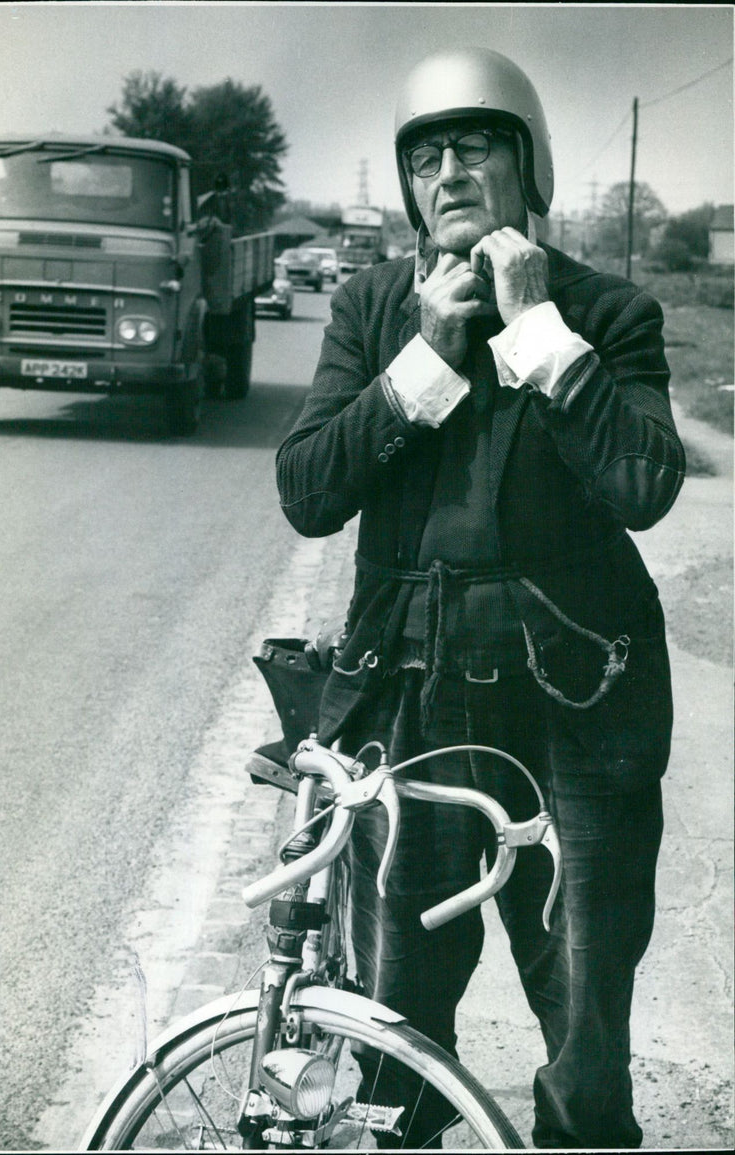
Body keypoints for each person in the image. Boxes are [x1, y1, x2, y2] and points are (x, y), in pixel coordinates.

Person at [275, 47, 685, 1150]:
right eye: (423, 157)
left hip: (578, 715)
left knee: (585, 998)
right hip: (410, 700)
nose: (445, 174)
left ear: (525, 166)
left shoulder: (608, 311)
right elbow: (308, 493)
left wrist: (537, 330)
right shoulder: (370, 306)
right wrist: (422, 357)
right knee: (393, 1002)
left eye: (473, 149)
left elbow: (644, 483)